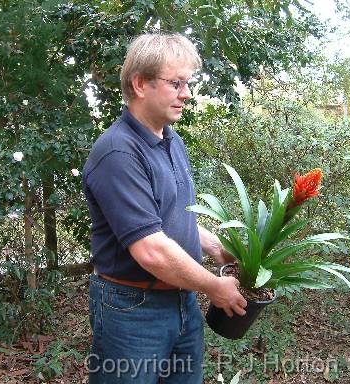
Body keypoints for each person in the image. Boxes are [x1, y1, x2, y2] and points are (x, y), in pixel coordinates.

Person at [82, 33, 247, 384]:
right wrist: (214, 287)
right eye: (176, 83)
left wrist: (218, 249)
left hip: (182, 303)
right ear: (140, 84)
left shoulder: (171, 141)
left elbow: (175, 216)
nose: (186, 93)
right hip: (132, 311)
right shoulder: (118, 152)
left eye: (187, 83)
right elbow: (152, 250)